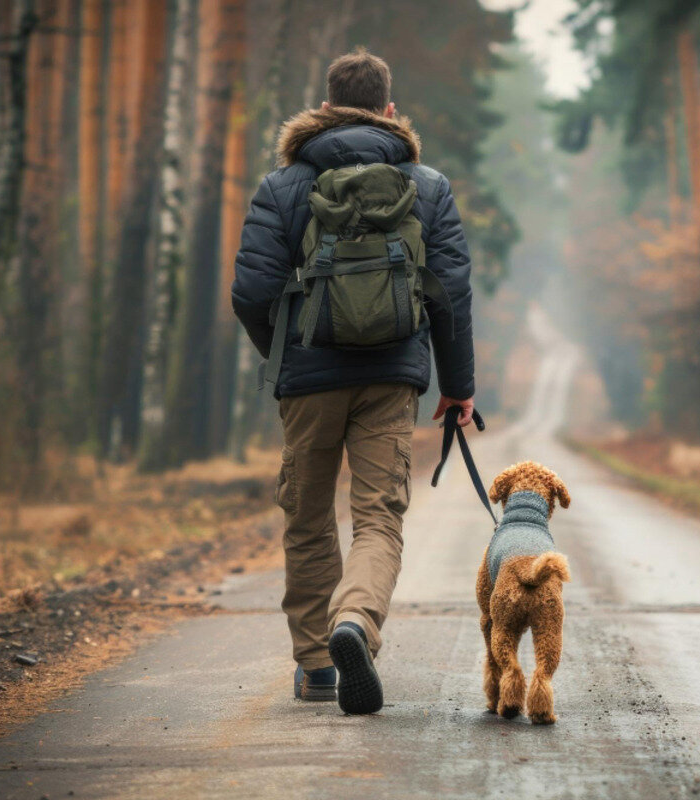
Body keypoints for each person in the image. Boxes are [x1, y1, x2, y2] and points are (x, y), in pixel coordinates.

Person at [231, 48, 476, 714]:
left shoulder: (282, 186)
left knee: (308, 518)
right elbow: (450, 294)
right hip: (391, 378)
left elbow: (251, 293)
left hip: (307, 376)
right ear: (390, 112)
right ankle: (356, 623)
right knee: (378, 519)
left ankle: (316, 666)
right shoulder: (426, 186)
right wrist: (457, 387)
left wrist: (282, 353)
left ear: (324, 107)